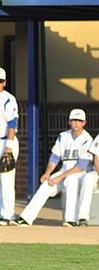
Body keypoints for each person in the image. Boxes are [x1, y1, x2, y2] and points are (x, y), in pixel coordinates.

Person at [11, 109, 93, 227]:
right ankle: (26, 218)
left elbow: (81, 166)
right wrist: (48, 173)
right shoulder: (63, 136)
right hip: (65, 170)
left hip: (80, 174)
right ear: (69, 121)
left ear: (84, 123)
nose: (76, 123)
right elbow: (55, 157)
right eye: (74, 120)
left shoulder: (87, 139)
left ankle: (70, 219)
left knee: (71, 181)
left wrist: (59, 177)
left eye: (79, 121)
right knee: (45, 186)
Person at [0, 67, 19, 226]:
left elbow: (12, 123)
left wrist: (9, 146)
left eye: (0, 81)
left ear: (4, 83)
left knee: (6, 178)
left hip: (6, 141)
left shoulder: (8, 99)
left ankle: (7, 214)